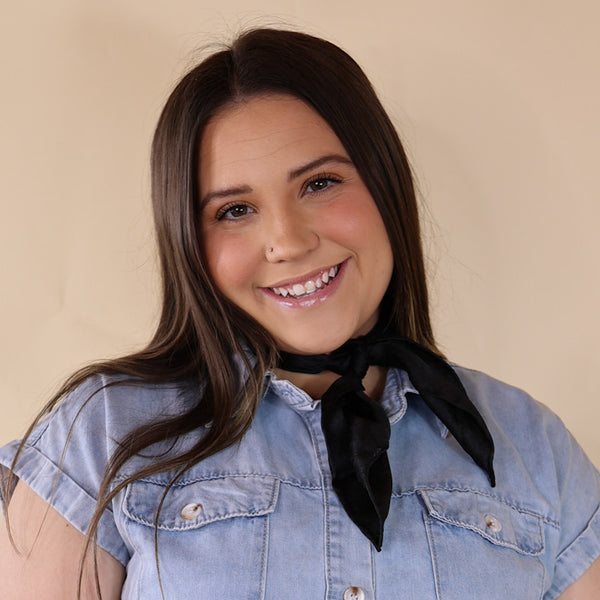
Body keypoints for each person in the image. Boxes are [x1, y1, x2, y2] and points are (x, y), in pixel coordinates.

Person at [1, 27, 599, 600]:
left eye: (319, 184)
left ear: (386, 185)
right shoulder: (103, 435)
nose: (286, 241)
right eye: (234, 210)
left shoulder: (533, 449)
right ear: (188, 241)